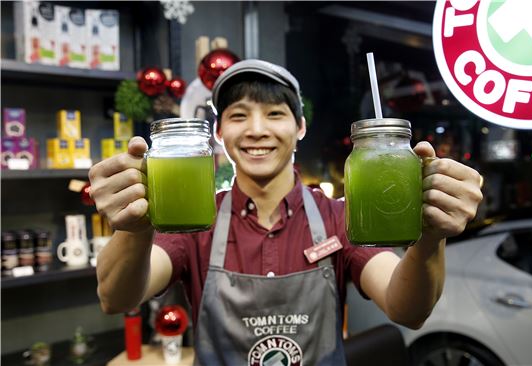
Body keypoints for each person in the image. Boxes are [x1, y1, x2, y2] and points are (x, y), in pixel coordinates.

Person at [89, 59, 483, 365]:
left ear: (300, 128)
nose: (256, 129)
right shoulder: (194, 220)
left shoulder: (338, 217)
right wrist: (134, 226)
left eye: (275, 114)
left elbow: (407, 309)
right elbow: (117, 297)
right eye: (239, 115)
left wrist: (431, 238)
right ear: (219, 134)